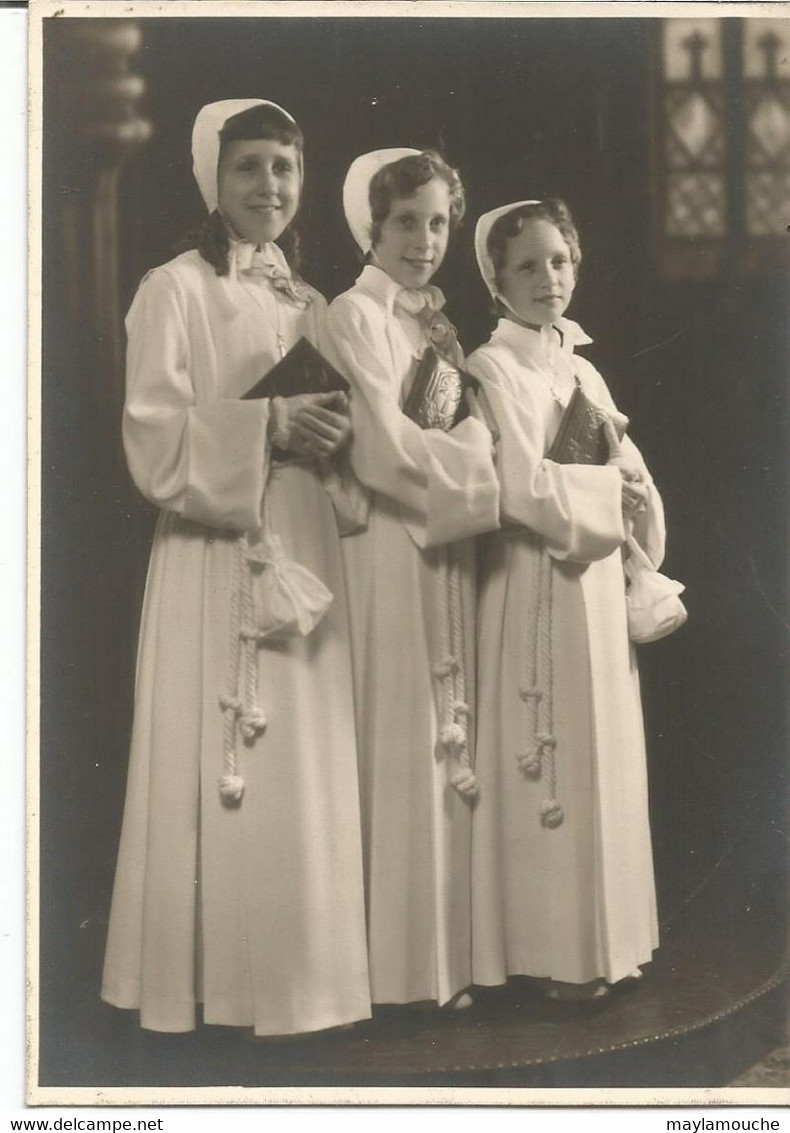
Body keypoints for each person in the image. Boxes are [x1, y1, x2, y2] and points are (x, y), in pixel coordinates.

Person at [101, 99, 371, 1037]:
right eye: (250, 166)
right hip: (216, 545)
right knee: (235, 757)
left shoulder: (312, 302)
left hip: (300, 527)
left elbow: (348, 431)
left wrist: (333, 438)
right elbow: (151, 438)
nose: (270, 186)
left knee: (302, 757)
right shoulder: (172, 289)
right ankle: (218, 991)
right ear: (212, 179)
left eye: (285, 169)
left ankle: (309, 988)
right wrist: (270, 425)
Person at [467, 198, 666, 1001]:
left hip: (595, 586)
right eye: (527, 265)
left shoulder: (582, 367)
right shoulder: (492, 368)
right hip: (536, 580)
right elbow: (519, 485)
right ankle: (551, 954)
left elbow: (631, 465)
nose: (548, 278)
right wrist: (606, 491)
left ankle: (609, 944)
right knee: (548, 757)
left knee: (604, 756)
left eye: (559, 261)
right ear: (495, 279)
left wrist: (636, 494)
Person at [322, 149, 500, 1009]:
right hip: (389, 545)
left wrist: (471, 458)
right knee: (400, 738)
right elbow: (383, 452)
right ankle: (395, 975)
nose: (424, 240)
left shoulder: (434, 325)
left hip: (442, 537)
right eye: (406, 222)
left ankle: (446, 966)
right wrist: (472, 469)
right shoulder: (353, 316)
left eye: (438, 223)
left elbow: (475, 430)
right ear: (371, 225)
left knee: (446, 735)